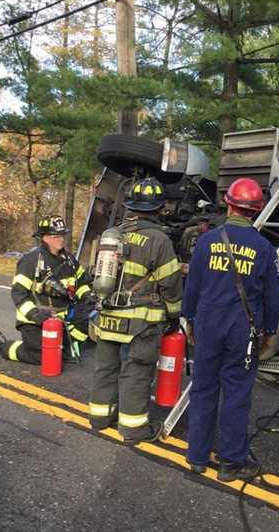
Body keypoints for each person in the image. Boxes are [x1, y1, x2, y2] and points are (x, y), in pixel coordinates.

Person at [183, 178, 279, 482]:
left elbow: (193, 287)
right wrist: (267, 331)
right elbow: (272, 297)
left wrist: (189, 320)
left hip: (208, 325)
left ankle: (197, 457)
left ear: (228, 203)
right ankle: (230, 462)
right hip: (243, 330)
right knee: (237, 392)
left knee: (203, 388)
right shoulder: (265, 248)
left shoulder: (206, 241)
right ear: (255, 211)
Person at [88, 178, 183, 445]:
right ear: (159, 208)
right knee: (136, 371)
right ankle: (132, 428)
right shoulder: (159, 239)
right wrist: (174, 316)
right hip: (140, 321)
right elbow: (171, 283)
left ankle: (99, 418)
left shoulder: (115, 233)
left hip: (108, 316)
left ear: (131, 205)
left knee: (105, 368)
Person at [0, 215, 93, 365]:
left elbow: (82, 282)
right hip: (34, 321)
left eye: (62, 235)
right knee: (47, 356)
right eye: (57, 236)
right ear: (45, 238)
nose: (61, 239)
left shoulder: (69, 260)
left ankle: (67, 349)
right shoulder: (31, 261)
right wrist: (35, 315)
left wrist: (87, 295)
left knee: (77, 335)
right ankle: (3, 346)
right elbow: (18, 293)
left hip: (62, 319)